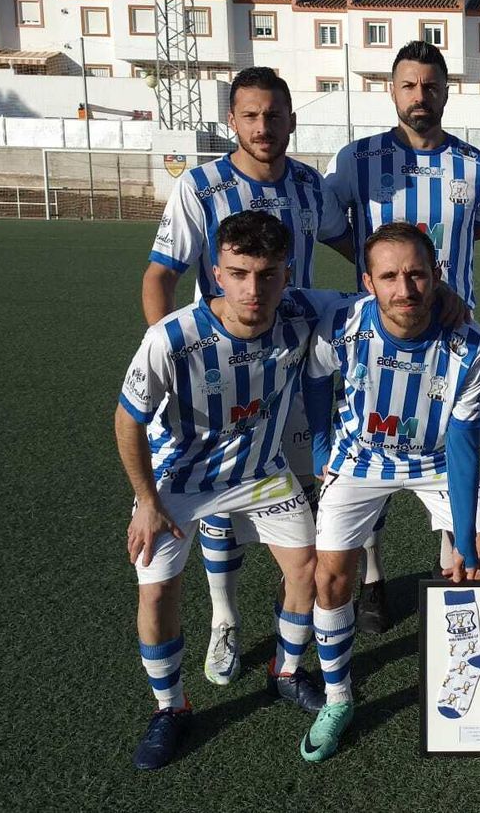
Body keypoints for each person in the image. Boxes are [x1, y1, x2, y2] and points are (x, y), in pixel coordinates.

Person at [140, 66, 350, 688]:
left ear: (291, 121)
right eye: (251, 116)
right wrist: (176, 359)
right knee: (216, 503)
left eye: (274, 115)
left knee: (296, 499)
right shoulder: (201, 186)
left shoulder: (310, 186)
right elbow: (160, 274)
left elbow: (350, 244)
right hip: (221, 374)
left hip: (295, 367)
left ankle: (292, 646)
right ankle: (224, 619)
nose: (263, 127)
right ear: (232, 120)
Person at [117, 213, 333, 770]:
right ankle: (170, 708)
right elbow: (127, 420)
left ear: (287, 275)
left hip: (261, 473)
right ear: (216, 273)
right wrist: (147, 501)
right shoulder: (171, 338)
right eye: (238, 274)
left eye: (267, 274)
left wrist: (444, 298)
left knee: (308, 568)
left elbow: (383, 297)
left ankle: (285, 670)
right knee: (156, 593)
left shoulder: (303, 314)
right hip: (179, 481)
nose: (252, 289)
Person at [322, 41, 480, 633]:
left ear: (446, 92)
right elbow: (328, 227)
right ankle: (373, 580)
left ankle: (448, 565)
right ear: (392, 90)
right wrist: (378, 283)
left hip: (450, 340)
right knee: (372, 449)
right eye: (408, 85)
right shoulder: (356, 159)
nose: (420, 96)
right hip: (378, 339)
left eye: (430, 86)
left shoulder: (474, 165)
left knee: (449, 448)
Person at [297, 222, 480, 762]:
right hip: (360, 458)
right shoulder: (341, 322)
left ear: (437, 275)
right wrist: (320, 449)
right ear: (368, 282)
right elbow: (316, 378)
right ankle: (338, 698)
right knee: (330, 577)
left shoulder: (470, 343)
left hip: (437, 459)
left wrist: (464, 541)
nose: (404, 288)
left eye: (416, 274)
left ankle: (471, 680)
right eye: (389, 277)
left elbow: (463, 446)